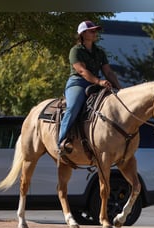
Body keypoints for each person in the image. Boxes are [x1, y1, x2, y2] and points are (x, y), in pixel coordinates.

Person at [58, 20, 121, 154]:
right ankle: (62, 142)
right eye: (92, 31)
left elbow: (108, 72)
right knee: (73, 107)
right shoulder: (75, 51)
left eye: (96, 31)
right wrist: (99, 82)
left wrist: (119, 88)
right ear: (83, 33)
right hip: (78, 83)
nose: (95, 33)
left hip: (96, 83)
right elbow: (81, 71)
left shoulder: (100, 52)